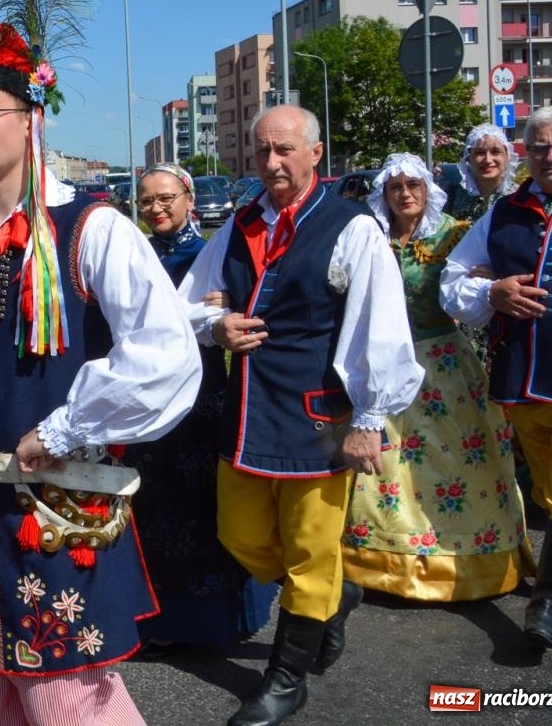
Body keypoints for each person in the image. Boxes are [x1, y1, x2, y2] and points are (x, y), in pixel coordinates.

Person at [0, 24, 202, 725]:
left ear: (31, 119)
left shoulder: (93, 229)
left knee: (69, 704)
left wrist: (62, 428)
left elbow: (166, 357)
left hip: (54, 517)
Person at [179, 105, 422, 726]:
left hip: (319, 419)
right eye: (262, 151)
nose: (271, 162)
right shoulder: (237, 225)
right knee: (242, 537)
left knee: (311, 550)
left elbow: (380, 327)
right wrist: (216, 323)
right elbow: (182, 306)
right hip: (246, 416)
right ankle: (335, 597)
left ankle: (286, 680)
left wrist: (369, 420)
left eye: (284, 149)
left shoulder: (352, 227)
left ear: (316, 154)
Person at [440, 104, 552, 652]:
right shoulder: (503, 212)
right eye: (539, 148)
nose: (551, 157)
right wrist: (492, 292)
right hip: (522, 374)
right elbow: (453, 278)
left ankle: (545, 607)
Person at [340, 154, 528, 601]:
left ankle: (467, 560)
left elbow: (474, 281)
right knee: (385, 465)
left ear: (428, 189)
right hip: (384, 363)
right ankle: (379, 562)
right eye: (395, 187)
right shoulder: (371, 237)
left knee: (457, 460)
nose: (405, 194)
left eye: (414, 186)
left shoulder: (454, 236)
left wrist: (485, 281)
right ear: (383, 194)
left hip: (442, 363)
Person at [122, 163, 277, 654]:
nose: (156, 208)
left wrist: (224, 303)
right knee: (153, 507)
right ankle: (156, 620)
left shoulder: (213, 255)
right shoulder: (134, 257)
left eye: (166, 197)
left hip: (203, 397)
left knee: (205, 505)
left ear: (189, 199)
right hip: (149, 400)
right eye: (146, 201)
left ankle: (212, 622)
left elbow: (254, 302)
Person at [446, 124, 521, 223]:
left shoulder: (520, 197)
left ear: (507, 156)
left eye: (495, 152)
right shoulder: (452, 197)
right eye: (479, 153)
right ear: (468, 158)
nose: (488, 160)